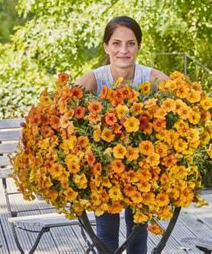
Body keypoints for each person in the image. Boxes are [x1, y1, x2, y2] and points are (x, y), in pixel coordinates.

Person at [75, 16, 169, 253]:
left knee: (137, 232)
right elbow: (62, 107)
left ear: (138, 46)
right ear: (106, 47)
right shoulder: (95, 79)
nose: (123, 50)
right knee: (106, 233)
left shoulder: (150, 77)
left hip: (143, 171)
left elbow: (187, 98)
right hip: (105, 172)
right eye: (116, 43)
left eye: (131, 43)